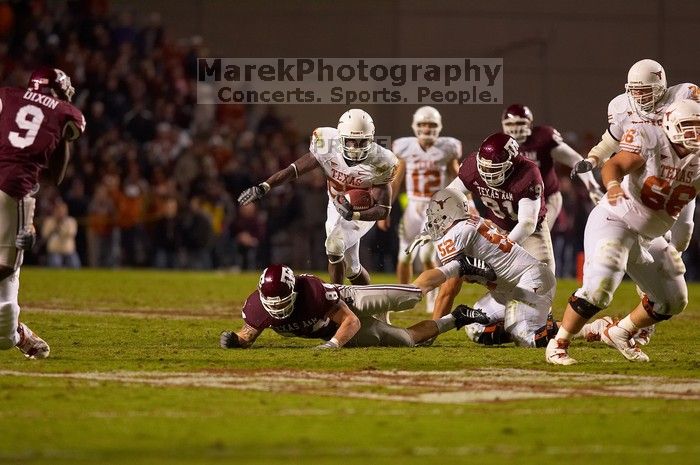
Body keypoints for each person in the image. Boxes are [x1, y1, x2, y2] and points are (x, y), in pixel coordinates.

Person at [546, 99, 700, 365]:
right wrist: (614, 185)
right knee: (601, 285)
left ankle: (621, 331)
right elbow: (613, 164)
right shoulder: (651, 139)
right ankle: (558, 343)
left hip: (649, 235)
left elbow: (687, 203)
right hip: (616, 218)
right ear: (671, 125)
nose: (694, 134)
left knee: (674, 300)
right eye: (688, 127)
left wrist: (677, 244)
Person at [238, 109, 397, 285]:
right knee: (352, 268)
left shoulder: (383, 161)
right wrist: (264, 186)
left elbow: (383, 210)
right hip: (335, 205)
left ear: (371, 138)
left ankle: (335, 299)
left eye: (362, 141)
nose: (356, 147)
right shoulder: (327, 143)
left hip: (360, 210)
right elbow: (294, 170)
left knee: (334, 246)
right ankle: (371, 305)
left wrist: (355, 214)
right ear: (341, 137)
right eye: (351, 140)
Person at [0, 67, 85, 358]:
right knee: (7, 266)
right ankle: (18, 334)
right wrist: (64, 135)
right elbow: (57, 175)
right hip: (13, 190)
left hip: (16, 193)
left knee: (4, 326)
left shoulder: (7, 95)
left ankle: (19, 334)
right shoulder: (65, 112)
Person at [431, 133, 553, 330]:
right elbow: (449, 197)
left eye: (494, 169)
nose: (487, 173)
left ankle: (528, 323)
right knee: (456, 269)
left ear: (511, 163)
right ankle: (435, 325)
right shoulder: (472, 166)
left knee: (543, 286)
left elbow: (527, 224)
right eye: (484, 167)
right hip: (495, 225)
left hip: (532, 231)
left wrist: (500, 251)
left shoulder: (527, 172)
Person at [411, 188, 557, 348]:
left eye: (437, 214)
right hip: (509, 289)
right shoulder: (472, 222)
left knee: (525, 337)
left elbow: (448, 290)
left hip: (530, 281)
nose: (434, 220)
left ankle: (574, 329)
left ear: (450, 212)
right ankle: (531, 321)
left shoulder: (457, 234)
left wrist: (433, 331)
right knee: (476, 328)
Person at [219, 264, 488, 349]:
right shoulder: (256, 309)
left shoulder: (312, 292)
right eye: (272, 303)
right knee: (406, 340)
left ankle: (457, 265)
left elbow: (351, 320)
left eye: (282, 299)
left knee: (412, 295)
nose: (277, 308)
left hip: (346, 303)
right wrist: (233, 341)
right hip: (331, 329)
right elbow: (247, 336)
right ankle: (456, 317)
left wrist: (332, 346)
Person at [379, 106, 461, 313]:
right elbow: (396, 181)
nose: (427, 128)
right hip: (413, 207)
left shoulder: (447, 148)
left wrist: (467, 203)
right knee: (404, 255)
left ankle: (432, 297)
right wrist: (385, 209)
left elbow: (459, 178)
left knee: (427, 256)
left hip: (437, 208)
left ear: (439, 127)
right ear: (415, 126)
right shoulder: (405, 148)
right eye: (423, 124)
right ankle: (402, 297)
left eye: (432, 125)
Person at [501, 104, 603, 229]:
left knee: (537, 234)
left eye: (520, 123)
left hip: (548, 197)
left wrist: (591, 185)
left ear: (530, 124)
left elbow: (574, 159)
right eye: (511, 124)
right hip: (519, 200)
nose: (515, 128)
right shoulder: (502, 146)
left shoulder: (542, 138)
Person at [41, 199, 80, 268]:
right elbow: (45, 235)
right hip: (55, 251)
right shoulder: (49, 221)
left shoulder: (71, 221)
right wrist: (54, 227)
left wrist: (61, 226)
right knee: (55, 264)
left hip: (68, 251)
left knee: (75, 265)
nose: (60, 212)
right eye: (58, 210)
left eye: (62, 210)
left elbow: (72, 233)